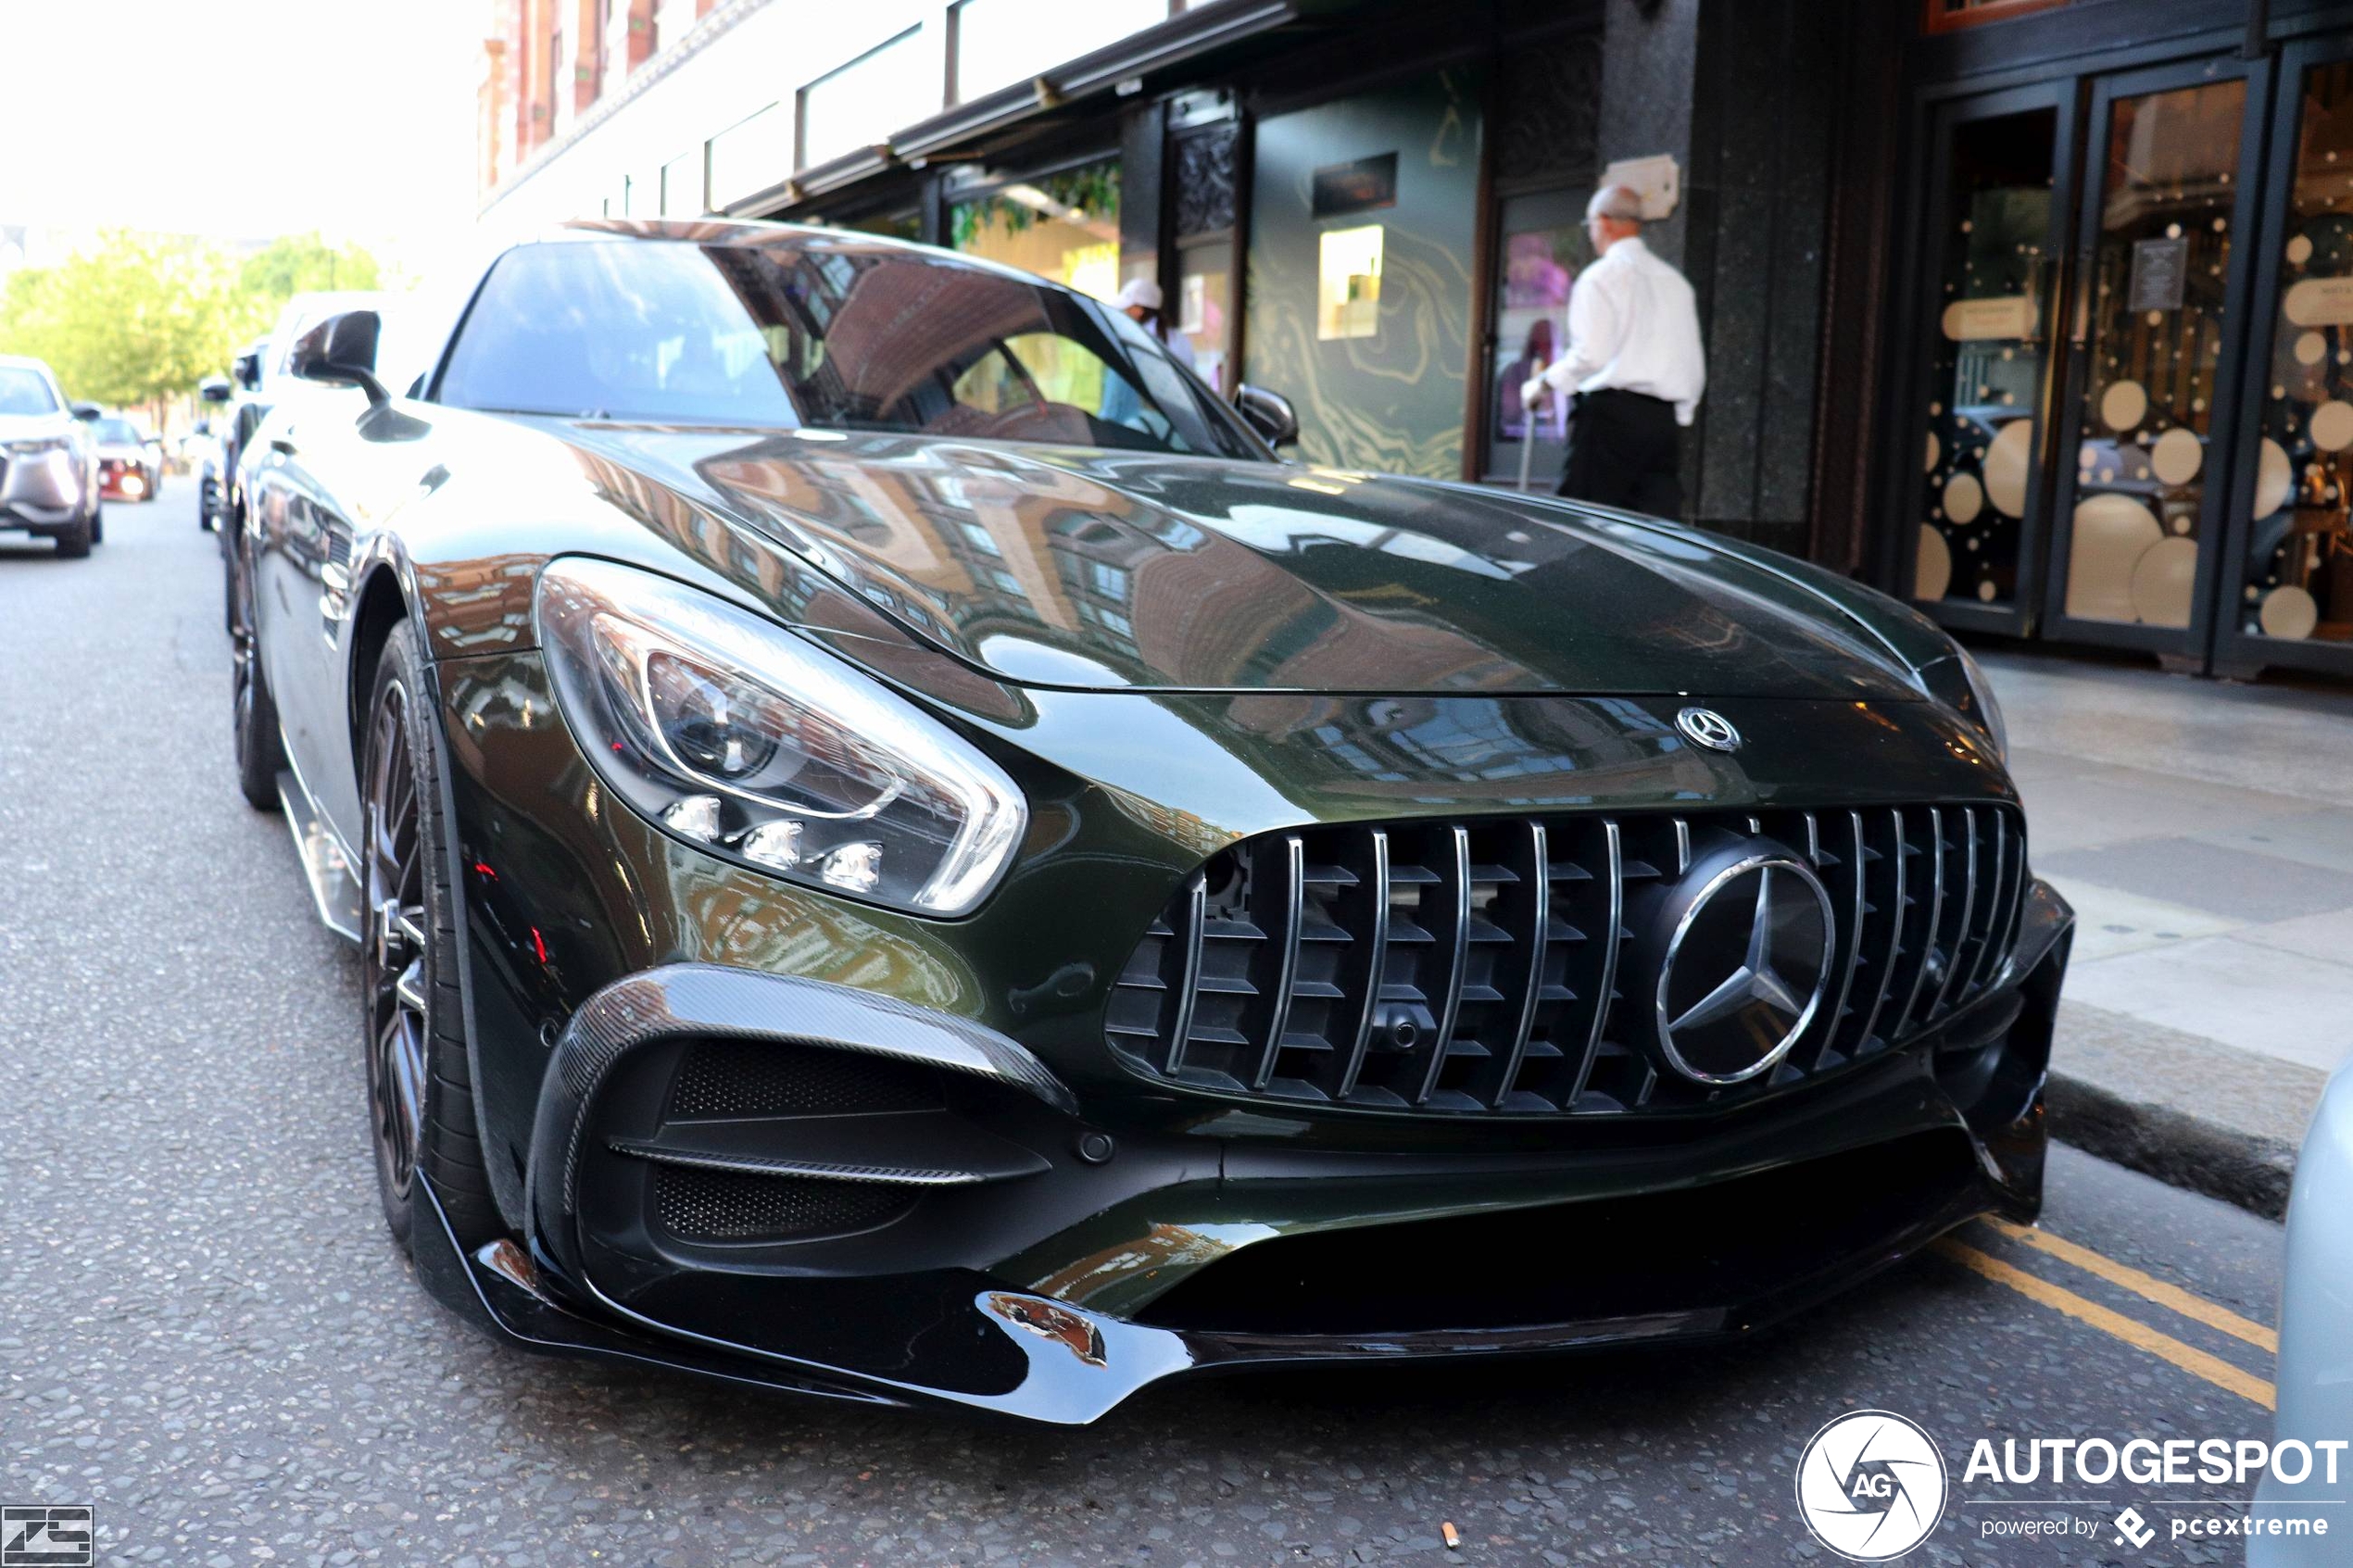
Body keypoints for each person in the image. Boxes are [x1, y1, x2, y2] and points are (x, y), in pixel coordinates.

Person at [1521, 184, 1705, 516]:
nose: (1591, 232)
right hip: (1661, 424)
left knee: (1584, 523)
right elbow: (1691, 362)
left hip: (1610, 419)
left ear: (1603, 222)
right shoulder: (1675, 282)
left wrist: (1544, 384)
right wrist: (1680, 415)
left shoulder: (1600, 277)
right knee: (1654, 529)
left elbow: (1591, 354)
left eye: (1590, 224)